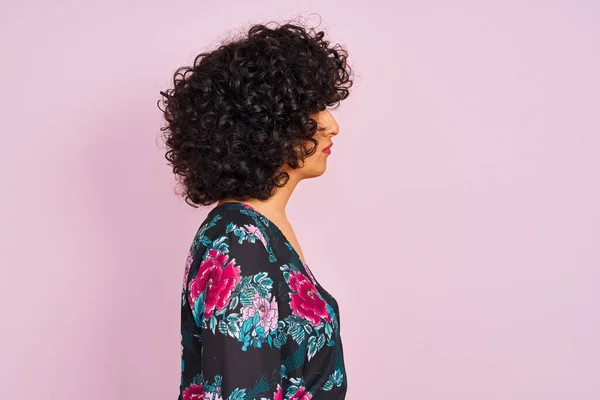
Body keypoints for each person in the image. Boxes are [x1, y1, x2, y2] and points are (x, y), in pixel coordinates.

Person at [158, 18, 354, 400]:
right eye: (315, 109)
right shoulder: (237, 243)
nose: (332, 126)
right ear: (269, 122)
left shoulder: (261, 230)